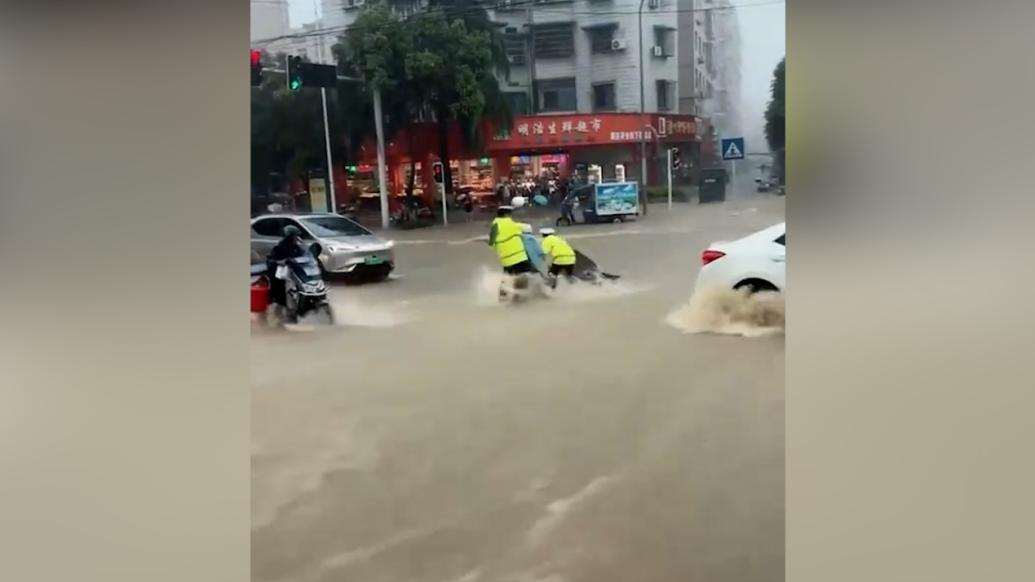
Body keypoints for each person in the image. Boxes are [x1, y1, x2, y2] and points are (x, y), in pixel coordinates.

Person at [266, 224, 307, 311]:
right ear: (290, 236)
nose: (297, 238)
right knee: (280, 294)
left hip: (292, 273)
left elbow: (302, 256)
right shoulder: (280, 247)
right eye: (295, 236)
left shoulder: (296, 246)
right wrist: (281, 262)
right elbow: (270, 260)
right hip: (279, 274)